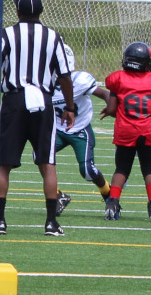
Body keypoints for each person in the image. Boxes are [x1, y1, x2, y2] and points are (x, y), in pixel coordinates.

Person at [0, 0, 76, 237]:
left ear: (17, 11)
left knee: (3, 165)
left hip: (14, 99)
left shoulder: (7, 35)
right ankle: (51, 222)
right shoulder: (53, 37)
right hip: (43, 100)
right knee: (47, 163)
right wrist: (71, 108)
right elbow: (64, 76)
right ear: (41, 10)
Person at [102, 42, 151, 222]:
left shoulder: (117, 78)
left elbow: (113, 107)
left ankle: (112, 203)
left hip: (125, 130)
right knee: (150, 170)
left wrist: (109, 111)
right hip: (147, 130)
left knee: (122, 169)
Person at [51, 44, 114, 216]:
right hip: (57, 129)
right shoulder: (44, 83)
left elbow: (105, 94)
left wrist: (111, 107)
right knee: (40, 156)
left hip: (80, 129)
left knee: (87, 171)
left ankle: (109, 195)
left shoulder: (80, 80)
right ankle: (58, 196)